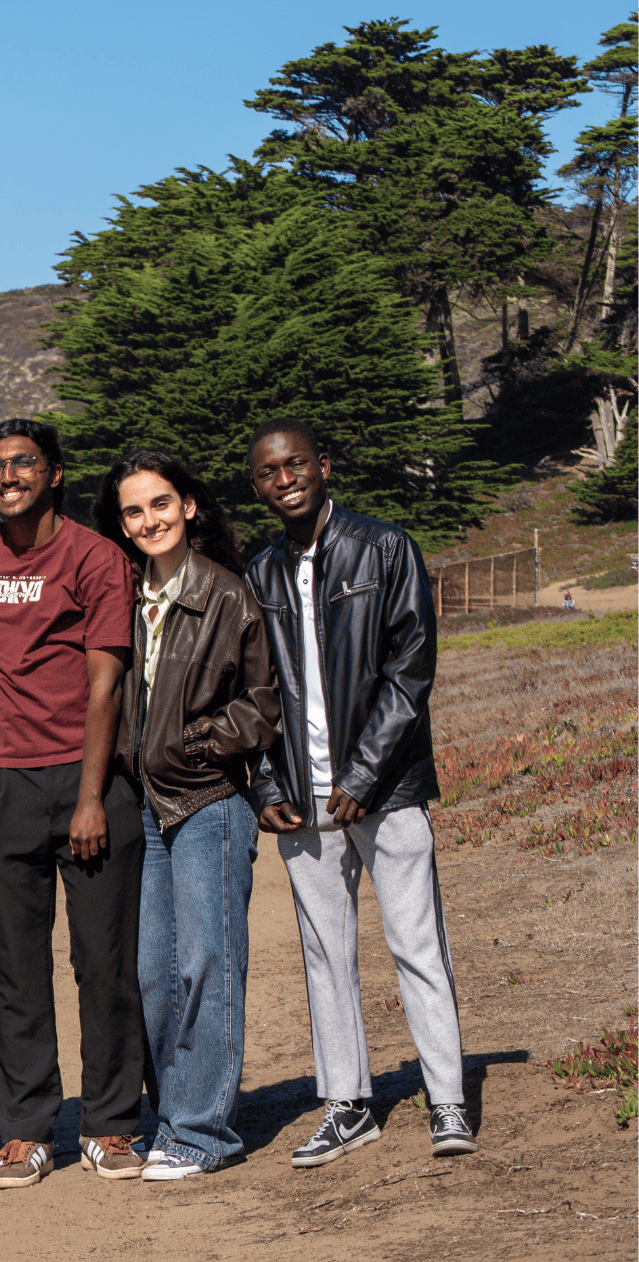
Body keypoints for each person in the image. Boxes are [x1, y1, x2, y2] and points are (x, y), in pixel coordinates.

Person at [244, 418, 476, 1166]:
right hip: (302, 799)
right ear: (258, 484)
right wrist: (271, 780)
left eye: (296, 464)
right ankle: (348, 1105)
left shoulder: (384, 547)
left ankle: (448, 1101)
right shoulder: (261, 571)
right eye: (269, 472)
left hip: (388, 788)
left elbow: (412, 668)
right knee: (324, 951)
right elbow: (258, 690)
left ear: (324, 465)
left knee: (417, 943)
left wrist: (364, 775)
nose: (285, 479)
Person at [0, 417, 143, 1187]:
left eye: (23, 463)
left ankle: (111, 1123)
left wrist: (92, 797)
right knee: (14, 967)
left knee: (104, 962)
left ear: (55, 472)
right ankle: (27, 1130)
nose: (7, 476)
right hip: (0, 781)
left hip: (86, 777)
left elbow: (107, 679)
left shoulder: (95, 557)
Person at [93, 451, 279, 1180]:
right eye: (134, 511)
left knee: (208, 963)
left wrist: (197, 744)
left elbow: (262, 703)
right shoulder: (125, 596)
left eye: (161, 504)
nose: (149, 520)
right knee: (152, 973)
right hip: (144, 805)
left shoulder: (226, 595)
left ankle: (204, 1134)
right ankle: (174, 1119)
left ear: (190, 506)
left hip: (208, 801)